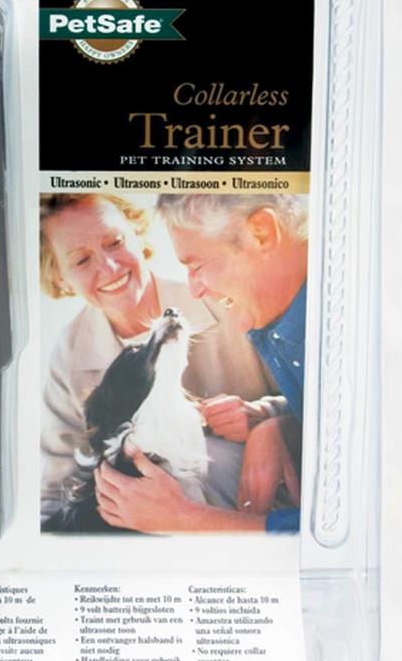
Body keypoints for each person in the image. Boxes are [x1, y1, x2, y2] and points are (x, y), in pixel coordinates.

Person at [39, 193, 277, 520]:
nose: (109, 267)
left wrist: (268, 420)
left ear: (138, 234)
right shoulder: (69, 355)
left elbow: (315, 401)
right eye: (81, 260)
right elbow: (55, 491)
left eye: (115, 242)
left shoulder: (224, 298)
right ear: (58, 276)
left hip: (266, 513)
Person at [94, 194, 308, 534]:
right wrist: (277, 423)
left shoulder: (352, 326)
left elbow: (348, 529)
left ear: (261, 233)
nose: (193, 290)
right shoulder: (275, 322)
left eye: (197, 266)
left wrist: (188, 519)